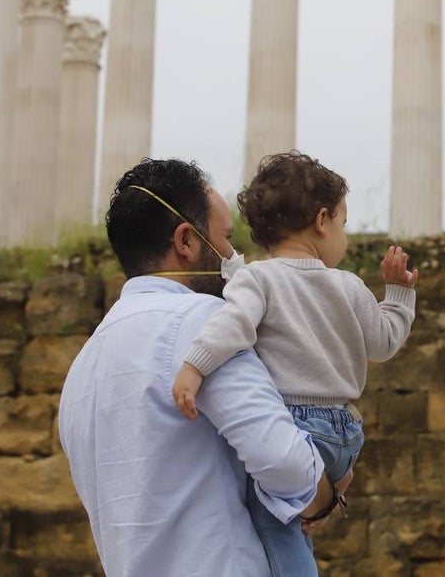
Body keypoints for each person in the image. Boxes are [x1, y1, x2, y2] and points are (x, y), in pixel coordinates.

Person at [58, 157, 346, 577]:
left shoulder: (84, 364)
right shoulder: (203, 322)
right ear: (186, 241)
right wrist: (326, 494)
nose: (233, 254)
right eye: (226, 238)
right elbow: (284, 462)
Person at [171, 151, 419, 576]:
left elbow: (234, 324)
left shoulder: (258, 279)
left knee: (276, 529)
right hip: (345, 434)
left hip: (296, 428)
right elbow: (384, 343)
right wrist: (397, 294)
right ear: (322, 221)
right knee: (296, 523)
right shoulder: (350, 286)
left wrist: (194, 367)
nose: (344, 234)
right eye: (344, 223)